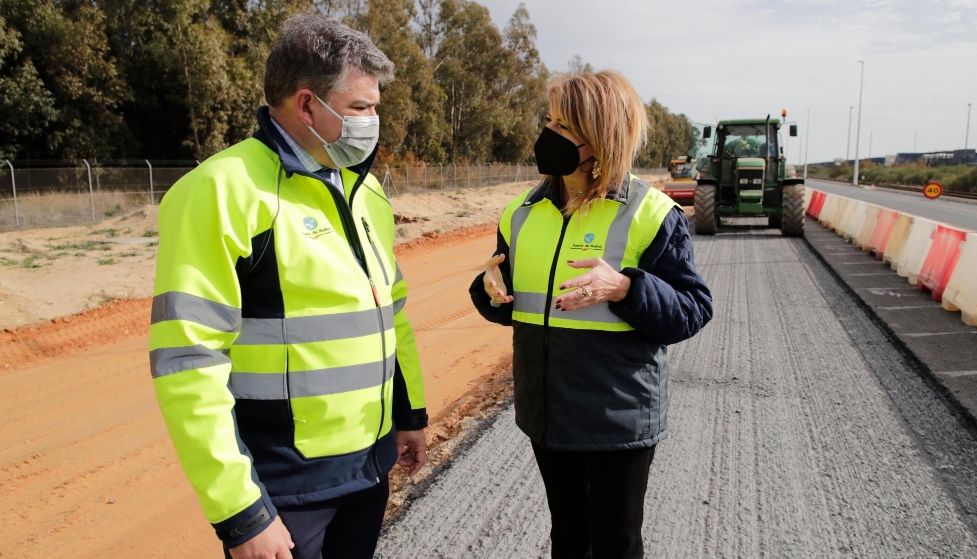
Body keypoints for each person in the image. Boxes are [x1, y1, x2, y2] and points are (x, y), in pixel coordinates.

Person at [149, 14, 428, 559]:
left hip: (368, 474)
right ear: (306, 105)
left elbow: (390, 315)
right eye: (360, 108)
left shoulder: (366, 194)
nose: (374, 121)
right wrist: (242, 513)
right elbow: (187, 361)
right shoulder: (220, 191)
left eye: (376, 106)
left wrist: (409, 416)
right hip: (286, 496)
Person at [469, 71, 713, 559]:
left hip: (617, 421)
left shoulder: (652, 214)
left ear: (601, 137)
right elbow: (510, 300)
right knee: (568, 539)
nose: (549, 134)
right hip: (547, 415)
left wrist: (625, 287)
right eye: (550, 120)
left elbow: (692, 310)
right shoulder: (520, 213)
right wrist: (487, 292)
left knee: (615, 545)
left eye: (566, 126)